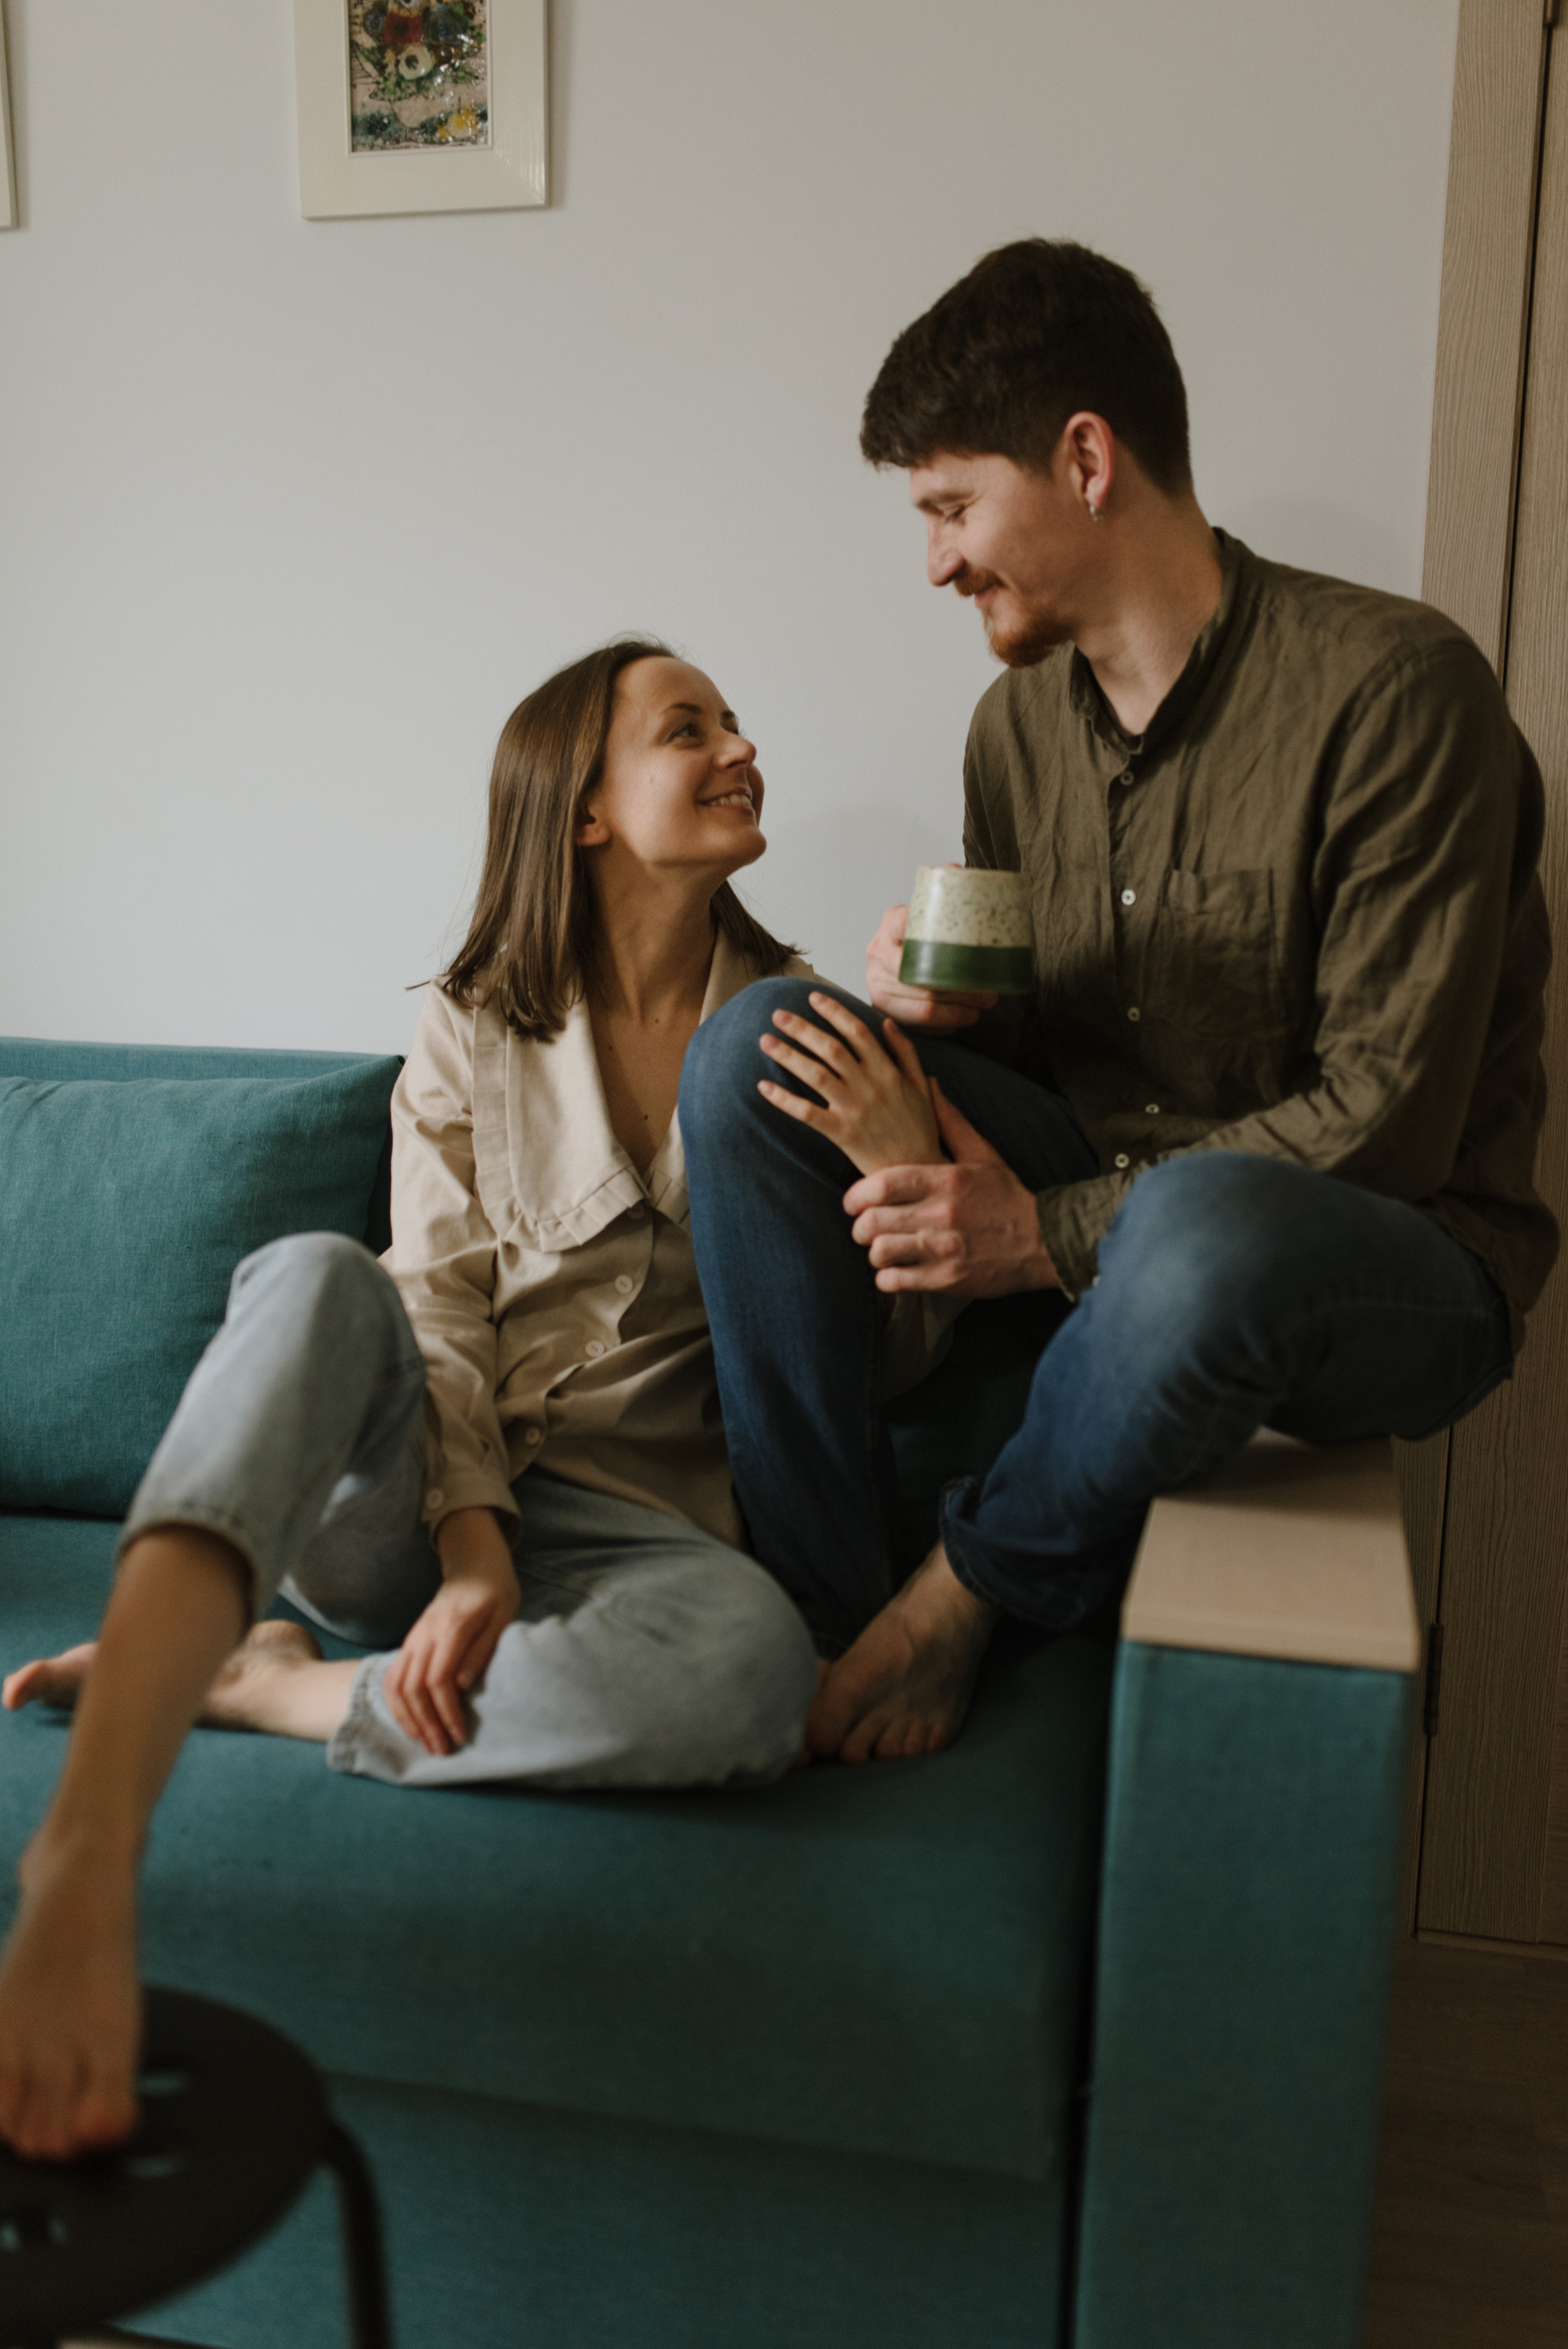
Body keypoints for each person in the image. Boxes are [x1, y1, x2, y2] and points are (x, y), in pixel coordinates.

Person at [0, 638, 948, 2161]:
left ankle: (268, 1690)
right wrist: (472, 1549)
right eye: (685, 728)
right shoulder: (465, 1027)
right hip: (419, 1514)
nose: (737, 747)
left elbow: (871, 1373)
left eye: (733, 721)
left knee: (754, 1679)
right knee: (324, 1275)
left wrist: (906, 1166)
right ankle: (90, 1838)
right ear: (580, 807)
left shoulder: (803, 1030)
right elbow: (432, 1310)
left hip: (658, 1545)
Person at [677, 238, 1557, 1767]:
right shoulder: (1013, 728)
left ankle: (964, 1591)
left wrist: (1043, 1236)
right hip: (1099, 1189)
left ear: (1083, 459)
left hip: (1376, 1256)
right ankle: (821, 1619)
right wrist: (942, 1037)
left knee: (1197, 1221)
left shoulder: (1396, 689)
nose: (934, 563)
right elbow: (1043, 1059)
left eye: (951, 508)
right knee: (760, 1043)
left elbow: (1391, 1123)